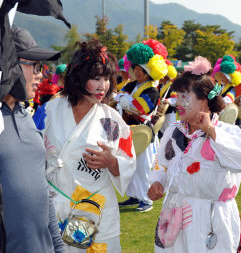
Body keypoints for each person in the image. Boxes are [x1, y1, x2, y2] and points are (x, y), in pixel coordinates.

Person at [147, 56, 241, 252]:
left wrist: (212, 132)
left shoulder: (227, 132)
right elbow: (160, 163)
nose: (178, 102)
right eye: (177, 96)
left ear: (204, 99)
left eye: (184, 96)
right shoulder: (174, 131)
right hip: (175, 214)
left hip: (212, 218)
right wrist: (156, 181)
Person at [42, 39, 136, 252]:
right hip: (55, 206)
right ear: (79, 78)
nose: (103, 86)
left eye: (106, 79)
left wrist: (111, 162)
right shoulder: (51, 110)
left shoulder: (110, 120)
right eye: (95, 79)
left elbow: (128, 159)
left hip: (95, 209)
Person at [0, 26, 64, 252]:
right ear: (8, 64)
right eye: (34, 66)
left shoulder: (26, 117)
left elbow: (43, 191)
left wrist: (58, 246)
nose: (40, 75)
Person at [117, 40, 168, 212]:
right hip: (130, 129)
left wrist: (125, 102)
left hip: (144, 132)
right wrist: (125, 101)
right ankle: (134, 195)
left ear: (148, 73)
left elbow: (140, 107)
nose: (137, 72)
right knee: (131, 165)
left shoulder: (152, 91)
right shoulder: (131, 85)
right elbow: (120, 97)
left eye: (141, 70)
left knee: (143, 166)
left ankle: (147, 199)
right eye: (135, 69)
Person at [158, 61, 178, 135]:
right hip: (161, 112)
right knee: (163, 131)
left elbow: (175, 100)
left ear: (166, 77)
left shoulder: (172, 86)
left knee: (170, 131)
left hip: (169, 112)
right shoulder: (160, 86)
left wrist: (167, 101)